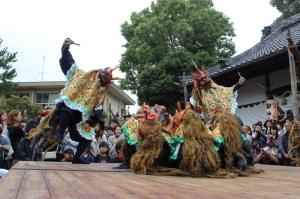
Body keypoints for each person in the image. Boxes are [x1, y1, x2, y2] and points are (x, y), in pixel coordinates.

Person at [50, 38, 117, 164]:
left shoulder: (97, 92)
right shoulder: (82, 76)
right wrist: (65, 47)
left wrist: (104, 95)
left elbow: (98, 105)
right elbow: (70, 64)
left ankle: (77, 157)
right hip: (68, 111)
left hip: (78, 120)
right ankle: (59, 131)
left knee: (86, 138)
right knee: (66, 110)